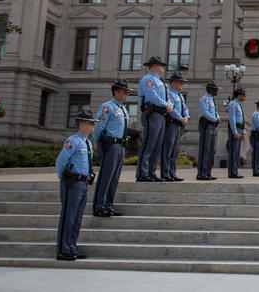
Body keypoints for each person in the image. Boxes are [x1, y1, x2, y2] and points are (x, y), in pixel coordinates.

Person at [55, 110, 96, 261]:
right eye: (91, 123)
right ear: (82, 124)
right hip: (72, 183)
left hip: (83, 183)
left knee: (77, 218)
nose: (93, 126)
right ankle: (63, 250)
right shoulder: (73, 141)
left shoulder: (88, 143)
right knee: (68, 216)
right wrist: (61, 175)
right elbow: (61, 160)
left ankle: (72, 247)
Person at [92, 78, 132, 217]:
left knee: (114, 177)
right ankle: (99, 206)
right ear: (116, 92)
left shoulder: (123, 110)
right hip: (110, 145)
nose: (127, 94)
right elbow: (99, 127)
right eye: (124, 91)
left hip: (120, 146)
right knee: (106, 176)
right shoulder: (107, 107)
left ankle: (108, 205)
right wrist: (96, 142)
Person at [137, 56, 172, 182]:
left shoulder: (161, 82)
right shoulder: (148, 80)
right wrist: (166, 104)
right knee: (149, 144)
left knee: (157, 145)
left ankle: (151, 172)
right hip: (152, 113)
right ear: (154, 66)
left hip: (161, 115)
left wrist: (169, 105)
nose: (162, 67)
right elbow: (152, 96)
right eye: (160, 65)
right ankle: (143, 173)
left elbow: (166, 97)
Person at [161, 71, 189, 182]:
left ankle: (172, 172)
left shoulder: (180, 96)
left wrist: (186, 117)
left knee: (174, 150)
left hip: (177, 125)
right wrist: (180, 117)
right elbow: (171, 108)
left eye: (182, 82)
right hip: (171, 123)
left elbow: (185, 108)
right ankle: (165, 172)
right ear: (172, 83)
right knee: (168, 149)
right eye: (179, 82)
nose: (181, 84)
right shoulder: (168, 93)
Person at [197, 81, 221, 181]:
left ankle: (207, 172)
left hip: (212, 126)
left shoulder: (211, 100)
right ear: (210, 89)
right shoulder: (205, 99)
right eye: (215, 89)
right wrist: (215, 119)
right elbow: (205, 112)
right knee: (205, 150)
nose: (217, 91)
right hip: (206, 125)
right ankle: (201, 173)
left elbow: (214, 112)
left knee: (211, 150)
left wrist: (218, 118)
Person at [226, 87, 247, 178]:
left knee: (237, 151)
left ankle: (235, 170)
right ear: (239, 95)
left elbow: (241, 120)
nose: (245, 97)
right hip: (235, 129)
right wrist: (235, 131)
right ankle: (232, 172)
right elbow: (232, 119)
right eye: (243, 95)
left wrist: (243, 132)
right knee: (234, 151)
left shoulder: (239, 105)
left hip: (239, 129)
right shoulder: (233, 104)